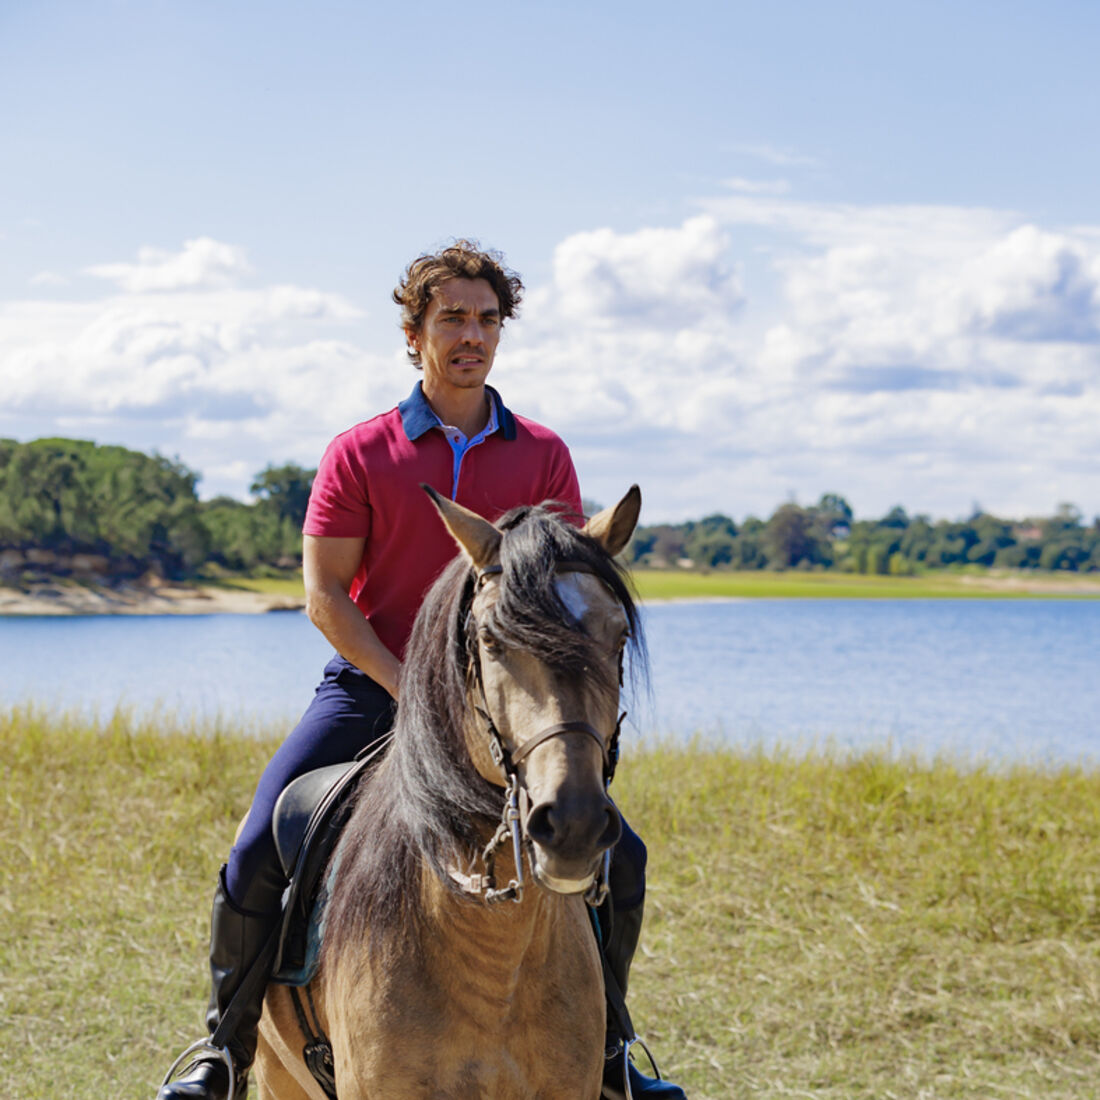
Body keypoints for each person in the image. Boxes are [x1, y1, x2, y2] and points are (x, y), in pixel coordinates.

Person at [158, 241, 685, 1100]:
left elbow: (551, 594)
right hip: (375, 690)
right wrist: (413, 690)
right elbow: (326, 594)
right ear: (415, 335)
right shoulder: (360, 453)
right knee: (260, 841)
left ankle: (615, 1050)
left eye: (486, 320)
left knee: (618, 852)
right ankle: (222, 1053)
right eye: (453, 320)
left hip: (499, 698)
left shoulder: (544, 453)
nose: (471, 336)